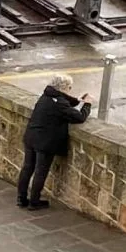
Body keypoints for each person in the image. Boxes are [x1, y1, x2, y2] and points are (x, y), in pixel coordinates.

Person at [17, 74, 91, 210]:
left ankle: (21, 198)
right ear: (63, 87)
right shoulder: (60, 103)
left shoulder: (46, 96)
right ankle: (34, 202)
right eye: (69, 87)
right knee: (40, 171)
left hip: (31, 137)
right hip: (45, 142)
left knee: (27, 168)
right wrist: (87, 104)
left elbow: (61, 101)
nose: (70, 90)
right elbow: (79, 117)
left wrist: (77, 100)